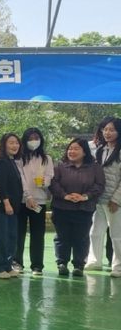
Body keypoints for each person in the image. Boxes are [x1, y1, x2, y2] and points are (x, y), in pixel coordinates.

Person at [49, 138, 105, 277]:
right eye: (70, 148)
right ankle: (62, 263)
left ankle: (79, 265)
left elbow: (99, 185)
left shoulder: (95, 168)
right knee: (62, 237)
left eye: (76, 149)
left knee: (81, 238)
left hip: (84, 208)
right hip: (61, 208)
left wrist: (84, 196)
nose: (71, 151)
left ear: (84, 152)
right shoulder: (60, 166)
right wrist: (65, 195)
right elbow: (53, 183)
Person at [15, 128, 54, 277]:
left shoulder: (46, 158)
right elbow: (21, 179)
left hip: (39, 201)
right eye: (30, 138)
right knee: (19, 233)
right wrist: (27, 196)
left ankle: (37, 265)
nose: (33, 141)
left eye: (36, 138)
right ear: (25, 140)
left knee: (38, 234)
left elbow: (50, 175)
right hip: (22, 200)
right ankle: (17, 262)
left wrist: (45, 182)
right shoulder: (19, 158)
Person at [87, 118, 121, 278]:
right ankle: (95, 261)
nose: (107, 133)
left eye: (112, 130)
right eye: (105, 129)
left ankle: (118, 266)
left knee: (117, 235)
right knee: (95, 232)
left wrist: (116, 199)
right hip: (99, 199)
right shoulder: (100, 149)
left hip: (115, 202)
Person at [0, 133, 24, 279]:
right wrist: (6, 203)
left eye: (17, 143)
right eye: (11, 143)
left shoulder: (12, 162)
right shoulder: (2, 163)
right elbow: (0, 186)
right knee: (1, 238)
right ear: (3, 145)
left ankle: (7, 266)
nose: (15, 145)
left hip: (13, 209)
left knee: (11, 238)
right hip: (2, 208)